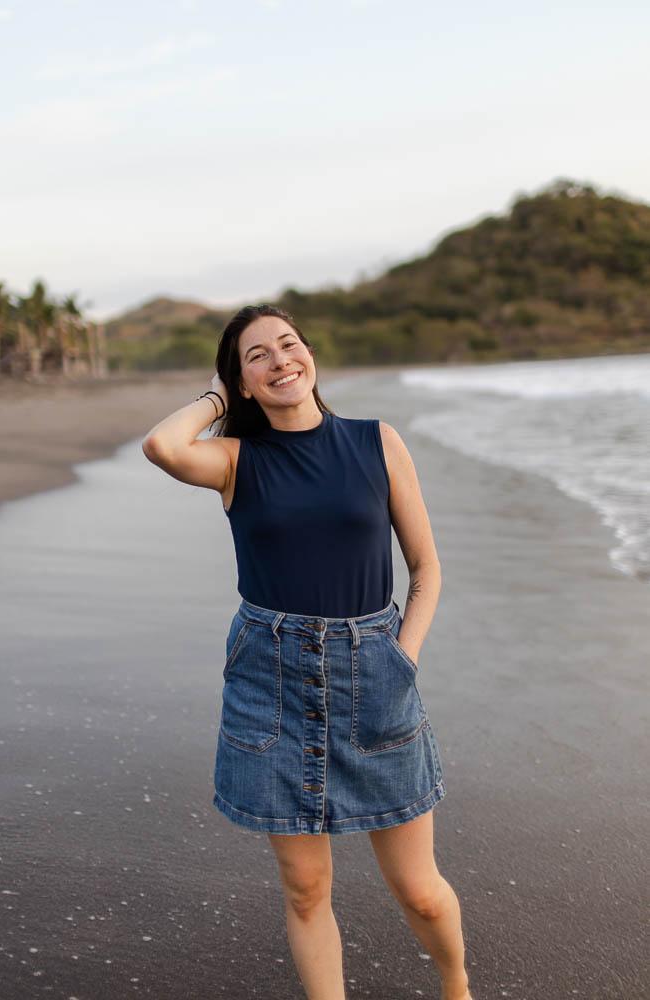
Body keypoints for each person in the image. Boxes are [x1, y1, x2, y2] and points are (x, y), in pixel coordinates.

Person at [141, 304, 473, 1000]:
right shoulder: (236, 460)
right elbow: (163, 447)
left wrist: (401, 658)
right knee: (303, 888)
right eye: (255, 356)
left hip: (374, 670)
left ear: (311, 355)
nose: (278, 359)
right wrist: (214, 398)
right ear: (241, 383)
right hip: (272, 677)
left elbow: (426, 567)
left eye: (287, 344)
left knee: (418, 891)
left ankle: (455, 985)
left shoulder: (375, 441)